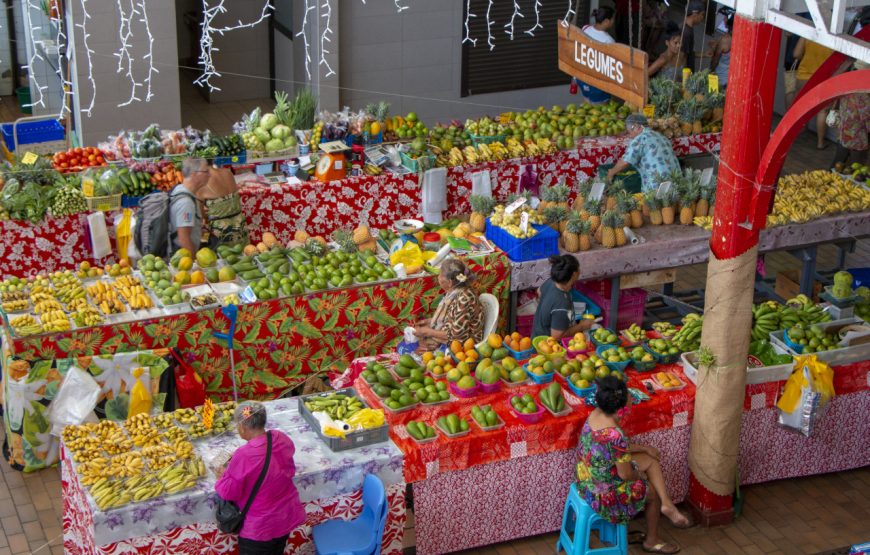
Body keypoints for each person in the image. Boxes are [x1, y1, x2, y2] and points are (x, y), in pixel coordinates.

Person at [576, 376, 692, 554]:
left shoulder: (596, 415)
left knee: (651, 460)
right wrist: (641, 475)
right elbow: (626, 475)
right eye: (629, 395)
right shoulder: (616, 435)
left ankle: (667, 504)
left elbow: (615, 449)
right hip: (601, 494)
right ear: (621, 407)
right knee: (652, 490)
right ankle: (652, 540)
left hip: (588, 477)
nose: (632, 397)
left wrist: (644, 449)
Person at [215, 402, 305, 555]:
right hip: (285, 515)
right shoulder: (279, 437)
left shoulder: (244, 455)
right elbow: (288, 469)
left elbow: (229, 493)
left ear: (242, 427)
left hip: (261, 526)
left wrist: (223, 475)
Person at [413, 258, 485, 352]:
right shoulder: (454, 291)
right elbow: (451, 318)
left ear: (449, 282)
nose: (438, 277)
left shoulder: (464, 299)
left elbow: (456, 336)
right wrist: (430, 321)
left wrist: (428, 332)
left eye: (440, 274)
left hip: (463, 346)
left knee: (408, 350)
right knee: (410, 346)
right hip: (452, 336)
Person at [607, 114, 680, 192]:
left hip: (658, 187)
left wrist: (612, 172)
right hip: (677, 183)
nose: (630, 136)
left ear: (636, 126)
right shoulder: (661, 136)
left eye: (630, 132)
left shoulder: (641, 138)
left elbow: (626, 162)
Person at [531, 255, 593, 340]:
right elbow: (557, 336)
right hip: (547, 347)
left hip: (537, 335)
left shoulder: (552, 281)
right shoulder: (561, 303)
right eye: (578, 269)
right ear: (574, 274)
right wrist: (582, 326)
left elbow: (539, 291)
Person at [794, 38, 835, 149]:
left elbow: (797, 54)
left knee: (800, 107)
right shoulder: (835, 38)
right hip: (824, 78)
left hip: (804, 76)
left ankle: (793, 135)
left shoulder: (809, 34)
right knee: (822, 111)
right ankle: (820, 143)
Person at [198, 165, 250, 248]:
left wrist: (207, 213)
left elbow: (201, 215)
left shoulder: (202, 182)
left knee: (224, 259)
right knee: (245, 259)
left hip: (221, 234)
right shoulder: (228, 172)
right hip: (240, 226)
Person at [831, 60, 870, 169]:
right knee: (856, 158)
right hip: (858, 125)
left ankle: (832, 172)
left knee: (843, 149)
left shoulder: (849, 78)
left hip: (847, 120)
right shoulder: (862, 90)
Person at [578, 7, 617, 105]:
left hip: (583, 79)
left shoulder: (585, 28)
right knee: (600, 113)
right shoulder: (609, 41)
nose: (614, 21)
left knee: (587, 108)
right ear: (607, 21)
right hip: (597, 85)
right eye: (613, 19)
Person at [170, 158, 210, 254]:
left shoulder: (181, 189)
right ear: (194, 174)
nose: (209, 175)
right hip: (182, 256)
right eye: (206, 171)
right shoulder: (186, 203)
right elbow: (184, 239)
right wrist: (193, 262)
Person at [680, 0, 707, 72]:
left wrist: (704, 54)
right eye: (702, 14)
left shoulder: (688, 28)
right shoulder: (686, 32)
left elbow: (689, 53)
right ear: (695, 14)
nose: (702, 17)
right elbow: (682, 57)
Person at [709, 15, 733, 91]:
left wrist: (710, 71)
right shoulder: (741, 39)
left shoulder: (725, 40)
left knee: (713, 96)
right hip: (731, 79)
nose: (724, 20)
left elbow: (715, 60)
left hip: (720, 77)